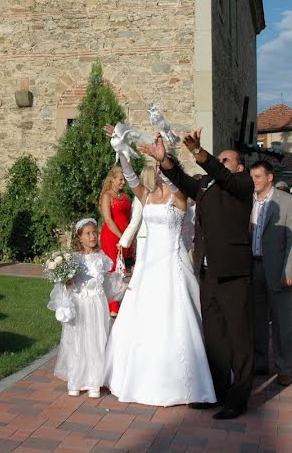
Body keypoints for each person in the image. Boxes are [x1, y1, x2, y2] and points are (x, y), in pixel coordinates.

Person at [143, 129, 255, 420]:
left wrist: (199, 153)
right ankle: (215, 391)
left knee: (239, 337)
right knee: (214, 336)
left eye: (226, 159)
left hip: (234, 272)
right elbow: (181, 180)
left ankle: (239, 398)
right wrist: (164, 160)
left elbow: (224, 176)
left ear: (239, 166)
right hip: (208, 271)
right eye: (219, 159)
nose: (221, 162)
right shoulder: (205, 185)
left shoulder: (243, 183)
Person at [104, 149, 217, 407]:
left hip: (172, 264)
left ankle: (185, 381)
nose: (157, 172)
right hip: (148, 264)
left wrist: (168, 167)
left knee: (177, 316)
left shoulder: (179, 197)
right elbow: (132, 178)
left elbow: (177, 186)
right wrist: (122, 150)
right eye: (156, 168)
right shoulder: (147, 195)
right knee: (141, 317)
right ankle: (132, 377)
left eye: (162, 167)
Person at [48, 218, 126, 398]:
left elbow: (106, 282)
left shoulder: (102, 259)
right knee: (77, 340)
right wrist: (66, 289)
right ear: (80, 238)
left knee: (96, 339)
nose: (92, 236)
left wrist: (122, 287)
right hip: (79, 304)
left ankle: (94, 381)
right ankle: (76, 379)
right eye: (88, 233)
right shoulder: (72, 260)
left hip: (97, 305)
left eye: (94, 232)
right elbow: (66, 285)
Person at [250, 161, 292, 386]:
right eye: (252, 176)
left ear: (270, 177)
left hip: (278, 268)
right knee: (257, 319)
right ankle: (260, 362)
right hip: (254, 267)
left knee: (281, 321)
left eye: (258, 177)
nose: (254, 181)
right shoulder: (249, 201)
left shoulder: (288, 201)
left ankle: (284, 367)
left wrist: (289, 270)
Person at [98, 165, 133, 315]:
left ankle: (122, 299)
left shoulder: (125, 197)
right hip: (112, 236)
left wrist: (131, 236)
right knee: (113, 268)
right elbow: (108, 219)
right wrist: (122, 236)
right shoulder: (107, 196)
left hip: (125, 237)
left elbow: (130, 218)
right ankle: (113, 306)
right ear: (112, 179)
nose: (123, 182)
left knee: (124, 269)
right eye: (120, 179)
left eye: (124, 180)